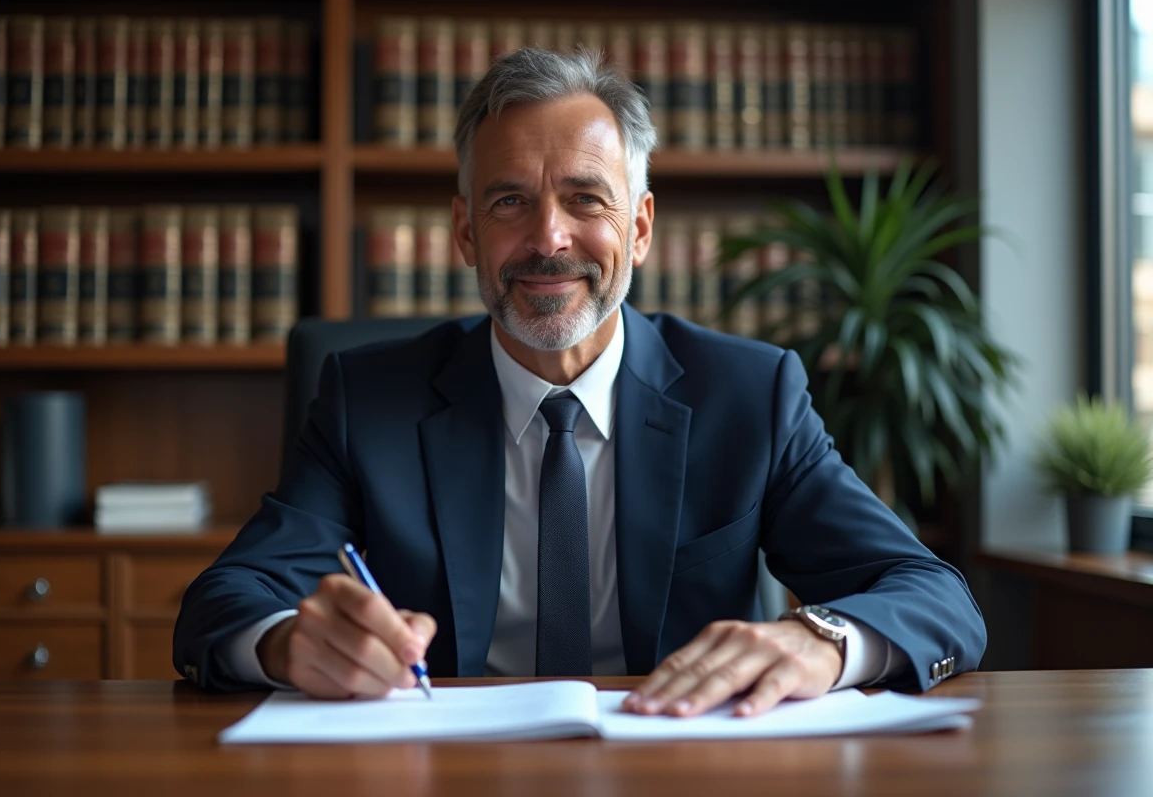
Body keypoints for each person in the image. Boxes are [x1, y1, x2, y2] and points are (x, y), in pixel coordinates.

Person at [173, 47, 985, 718]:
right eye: (509, 202)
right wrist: (288, 643)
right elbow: (224, 601)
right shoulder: (367, 400)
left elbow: (935, 597)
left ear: (638, 229)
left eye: (585, 199)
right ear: (465, 232)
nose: (547, 238)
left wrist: (822, 642)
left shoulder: (750, 395)